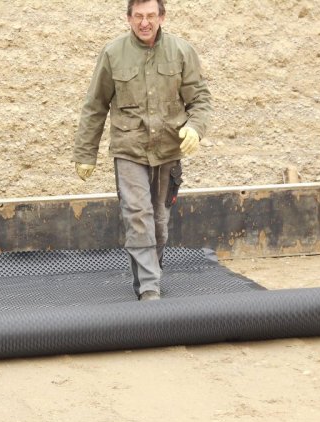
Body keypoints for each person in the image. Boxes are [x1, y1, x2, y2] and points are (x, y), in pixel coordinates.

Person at [73, 0, 212, 301]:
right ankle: (150, 287)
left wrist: (195, 128)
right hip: (129, 149)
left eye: (150, 15)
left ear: (162, 17)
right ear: (128, 18)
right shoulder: (113, 53)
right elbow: (95, 106)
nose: (144, 22)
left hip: (168, 149)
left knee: (159, 223)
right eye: (138, 16)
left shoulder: (181, 51)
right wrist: (85, 153)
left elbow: (200, 99)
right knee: (138, 215)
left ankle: (149, 275)